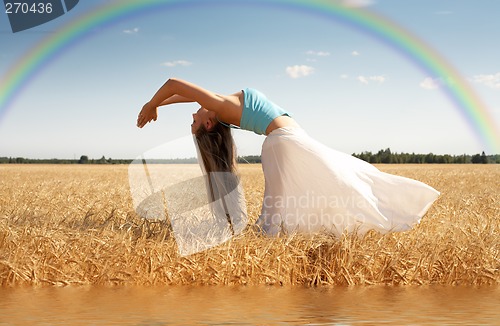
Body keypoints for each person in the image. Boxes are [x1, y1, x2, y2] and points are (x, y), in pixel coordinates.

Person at [137, 78, 440, 237]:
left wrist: (158, 105)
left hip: (289, 140)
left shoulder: (220, 103)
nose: (193, 112)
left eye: (192, 117)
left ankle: (270, 231)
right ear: (208, 123)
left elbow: (181, 92)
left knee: (342, 177)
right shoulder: (219, 104)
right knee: (336, 182)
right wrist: (153, 103)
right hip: (284, 143)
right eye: (194, 120)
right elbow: (176, 83)